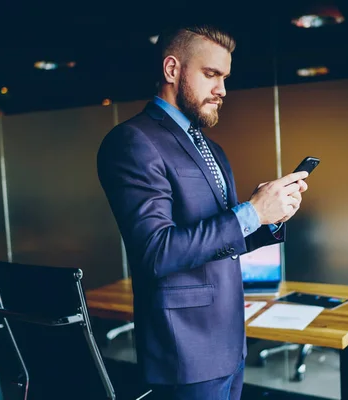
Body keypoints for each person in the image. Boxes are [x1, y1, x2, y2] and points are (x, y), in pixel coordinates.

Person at [96, 22, 308, 400]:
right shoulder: (132, 141)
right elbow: (156, 251)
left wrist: (271, 216)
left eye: (224, 78)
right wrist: (250, 213)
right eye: (211, 75)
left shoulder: (211, 148)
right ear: (172, 70)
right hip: (185, 352)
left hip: (230, 342)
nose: (222, 90)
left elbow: (221, 241)